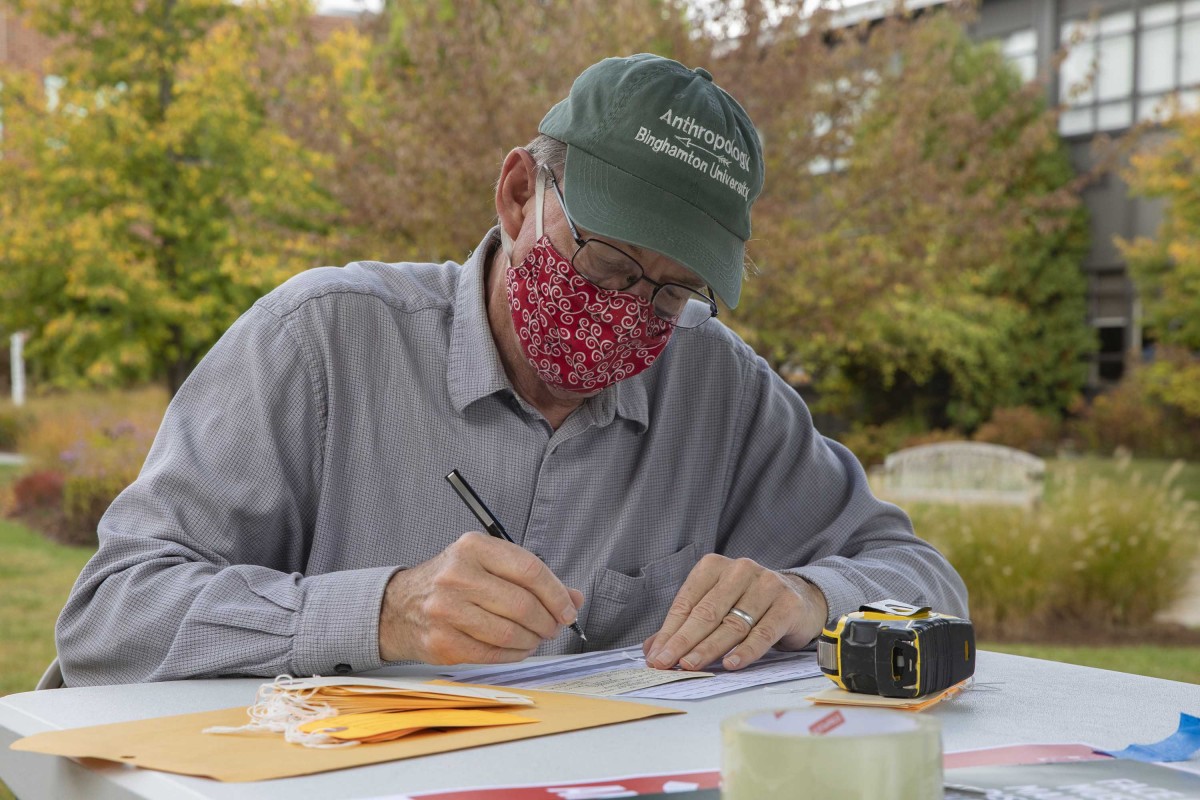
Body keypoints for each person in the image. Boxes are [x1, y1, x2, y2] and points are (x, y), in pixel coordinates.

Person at [56, 54, 967, 686]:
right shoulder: (323, 340)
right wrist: (381, 615)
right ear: (521, 192)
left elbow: (926, 582)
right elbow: (109, 618)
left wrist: (807, 596)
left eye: (670, 293)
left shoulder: (717, 388)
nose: (627, 313)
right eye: (608, 265)